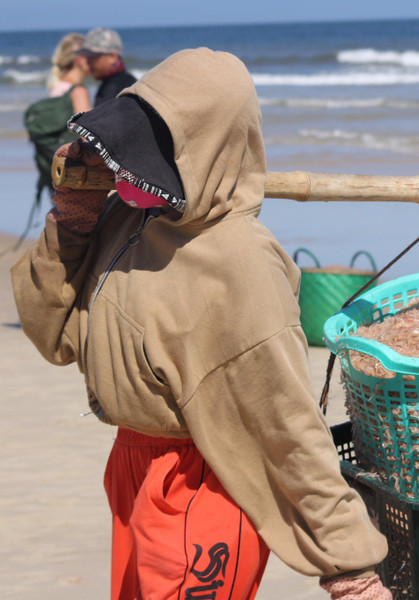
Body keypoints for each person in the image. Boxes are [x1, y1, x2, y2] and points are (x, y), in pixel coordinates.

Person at [11, 48, 390, 600]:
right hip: (132, 467)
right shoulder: (126, 216)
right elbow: (55, 336)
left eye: (152, 152)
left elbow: (288, 424)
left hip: (202, 480)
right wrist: (70, 221)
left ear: (203, 151)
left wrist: (350, 565)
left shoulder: (241, 266)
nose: (126, 169)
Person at [75, 27, 137, 106]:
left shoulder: (114, 89)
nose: (88, 61)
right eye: (87, 56)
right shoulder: (129, 81)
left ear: (112, 57)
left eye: (93, 56)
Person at [47, 32, 91, 113]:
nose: (94, 60)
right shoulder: (78, 91)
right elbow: (85, 125)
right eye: (90, 55)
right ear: (80, 59)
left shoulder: (58, 85)